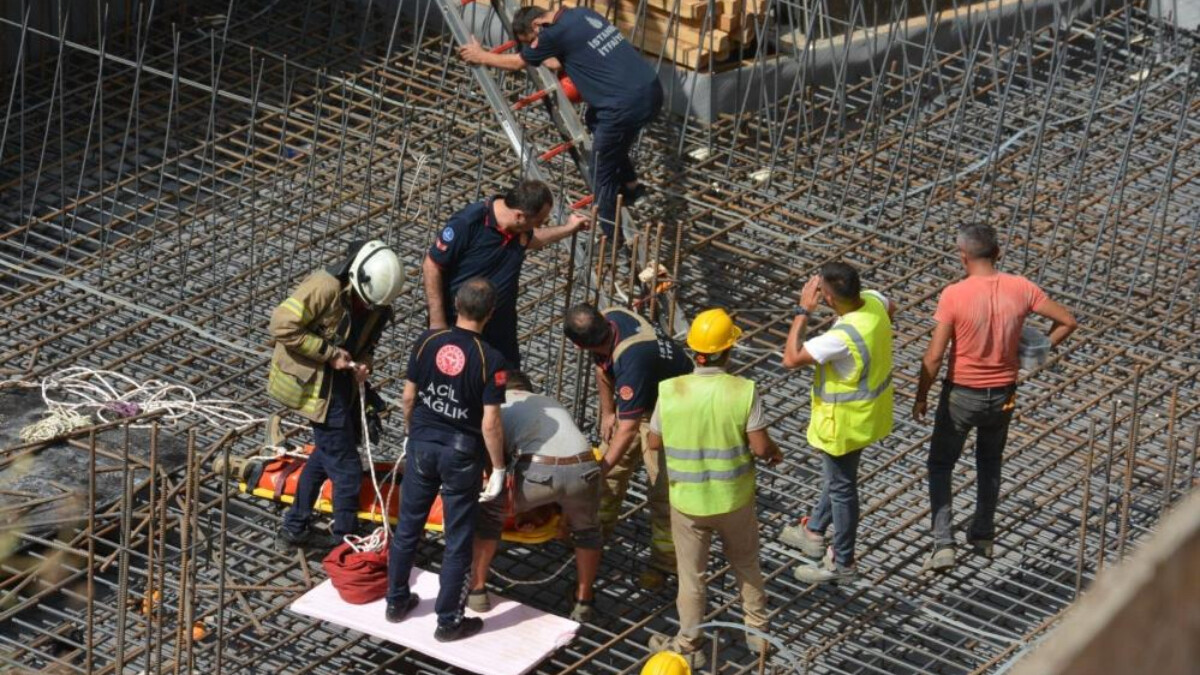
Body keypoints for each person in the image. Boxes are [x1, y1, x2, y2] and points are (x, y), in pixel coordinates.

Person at [914, 224, 1077, 572]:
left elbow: (934, 356)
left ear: (963, 256)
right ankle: (983, 535)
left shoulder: (954, 295)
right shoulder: (1021, 287)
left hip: (961, 395)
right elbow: (1067, 321)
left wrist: (921, 396)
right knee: (989, 462)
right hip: (1003, 394)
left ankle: (944, 545)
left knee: (941, 465)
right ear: (997, 253)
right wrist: (1035, 351)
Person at [645, 309, 783, 668]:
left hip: (688, 503)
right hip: (734, 500)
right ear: (728, 350)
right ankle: (758, 634)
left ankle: (689, 643)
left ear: (695, 351)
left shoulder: (671, 390)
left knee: (692, 578)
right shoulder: (743, 391)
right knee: (746, 563)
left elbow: (654, 442)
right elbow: (760, 447)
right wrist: (773, 452)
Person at [458, 7, 663, 239]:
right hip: (651, 90)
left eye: (532, 41)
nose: (535, 45)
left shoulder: (551, 34)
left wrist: (481, 56)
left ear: (537, 26)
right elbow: (559, 61)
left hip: (622, 108)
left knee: (600, 171)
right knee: (594, 120)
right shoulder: (581, 15)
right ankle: (631, 186)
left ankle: (613, 239)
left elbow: (517, 63)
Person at [386, 278, 509, 642]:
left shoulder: (427, 341)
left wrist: (412, 433)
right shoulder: (492, 359)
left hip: (422, 444)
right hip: (461, 453)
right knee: (457, 539)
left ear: (456, 304)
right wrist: (498, 468)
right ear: (491, 313)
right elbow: (490, 422)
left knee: (408, 526)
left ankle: (395, 601)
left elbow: (409, 397)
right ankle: (448, 621)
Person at [269, 240, 404, 551]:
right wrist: (329, 354)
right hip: (316, 386)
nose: (369, 309)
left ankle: (294, 527)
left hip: (342, 385)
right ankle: (345, 542)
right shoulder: (324, 288)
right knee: (346, 469)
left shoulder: (378, 301)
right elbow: (281, 325)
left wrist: (364, 363)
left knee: (326, 454)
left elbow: (368, 344)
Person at [780, 262, 896, 584]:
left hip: (842, 424)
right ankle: (814, 530)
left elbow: (790, 358)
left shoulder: (841, 338)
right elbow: (892, 307)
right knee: (838, 479)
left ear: (828, 298)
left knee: (843, 488)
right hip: (868, 414)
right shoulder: (873, 302)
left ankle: (843, 563)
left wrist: (803, 311)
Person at [564, 303, 692, 588]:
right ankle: (594, 536)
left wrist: (601, 468)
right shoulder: (609, 319)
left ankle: (664, 564)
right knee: (607, 482)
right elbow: (602, 369)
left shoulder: (632, 360)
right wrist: (608, 412)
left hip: (673, 412)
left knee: (663, 492)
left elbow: (629, 430)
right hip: (640, 402)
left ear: (578, 345)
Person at [469, 370, 603, 623]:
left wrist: (495, 491)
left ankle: (477, 590)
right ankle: (583, 600)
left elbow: (493, 459)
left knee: (489, 520)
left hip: (539, 471)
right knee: (588, 532)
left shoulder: (497, 407)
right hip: (585, 468)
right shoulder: (550, 402)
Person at [423, 180, 588, 369]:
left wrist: (568, 229)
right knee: (461, 379)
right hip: (461, 326)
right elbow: (432, 265)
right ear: (519, 216)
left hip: (500, 329)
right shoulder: (469, 223)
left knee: (508, 382)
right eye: (538, 222)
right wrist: (437, 323)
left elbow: (533, 239)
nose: (540, 225)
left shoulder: (518, 229)